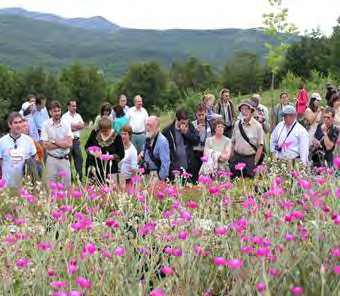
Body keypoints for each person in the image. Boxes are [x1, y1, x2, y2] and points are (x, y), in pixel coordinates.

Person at [0, 112, 37, 188]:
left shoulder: (29, 140)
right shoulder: (2, 142)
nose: (19, 125)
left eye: (20, 122)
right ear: (10, 125)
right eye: (15, 122)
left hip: (24, 186)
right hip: (7, 186)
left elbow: (35, 159)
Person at [162, 108, 200, 182]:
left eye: (185, 122)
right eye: (182, 122)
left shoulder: (189, 126)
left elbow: (196, 141)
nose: (184, 125)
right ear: (177, 119)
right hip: (175, 167)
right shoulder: (168, 130)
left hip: (188, 165)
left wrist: (186, 133)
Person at [41, 100, 73, 187]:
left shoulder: (66, 124)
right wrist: (63, 143)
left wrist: (54, 141)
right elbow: (45, 145)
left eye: (59, 111)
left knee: (66, 188)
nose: (57, 113)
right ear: (50, 112)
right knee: (51, 189)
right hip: (51, 159)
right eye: (55, 111)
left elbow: (69, 144)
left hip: (64, 159)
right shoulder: (45, 125)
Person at [230, 100, 264, 179]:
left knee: (250, 184)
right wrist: (231, 158)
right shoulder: (237, 124)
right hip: (237, 158)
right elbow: (232, 142)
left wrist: (255, 162)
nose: (244, 112)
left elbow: (260, 146)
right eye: (242, 109)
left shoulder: (257, 126)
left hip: (250, 159)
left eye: (246, 109)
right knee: (235, 182)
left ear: (251, 111)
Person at [84, 116, 124, 184]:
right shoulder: (95, 133)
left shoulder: (117, 136)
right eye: (102, 131)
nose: (104, 132)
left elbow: (121, 154)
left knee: (110, 191)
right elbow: (87, 147)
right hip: (95, 167)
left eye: (106, 131)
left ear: (110, 127)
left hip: (111, 169)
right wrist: (93, 153)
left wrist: (109, 157)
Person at [139, 116, 170, 182]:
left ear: (157, 128)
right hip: (146, 174)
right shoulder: (147, 138)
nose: (148, 127)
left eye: (150, 125)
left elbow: (165, 164)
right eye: (147, 124)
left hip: (156, 176)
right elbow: (145, 153)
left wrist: (160, 180)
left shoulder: (162, 141)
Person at [62, 100, 85, 181]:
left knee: (79, 159)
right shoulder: (64, 116)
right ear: (68, 107)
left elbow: (82, 126)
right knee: (68, 160)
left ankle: (79, 178)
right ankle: (69, 179)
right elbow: (66, 128)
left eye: (75, 106)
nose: (74, 107)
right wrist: (75, 126)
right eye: (73, 106)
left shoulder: (78, 115)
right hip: (68, 140)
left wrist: (72, 126)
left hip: (76, 141)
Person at [192, 103, 213, 182]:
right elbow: (190, 140)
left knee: (206, 174)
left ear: (206, 113)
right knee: (196, 175)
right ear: (196, 114)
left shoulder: (210, 124)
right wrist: (195, 132)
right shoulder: (192, 125)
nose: (201, 117)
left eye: (203, 115)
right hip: (195, 153)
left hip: (206, 154)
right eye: (199, 115)